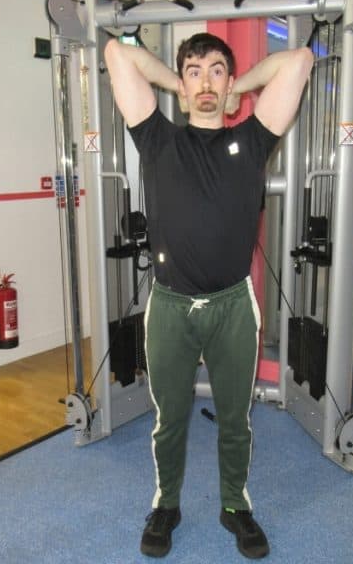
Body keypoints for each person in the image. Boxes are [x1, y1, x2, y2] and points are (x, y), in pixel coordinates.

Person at [103, 33, 314, 559]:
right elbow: (117, 55)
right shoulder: (158, 138)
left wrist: (235, 86)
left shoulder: (254, 140)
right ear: (179, 84)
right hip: (171, 308)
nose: (205, 82)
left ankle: (235, 506)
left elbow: (300, 59)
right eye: (193, 72)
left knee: (235, 417)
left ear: (230, 84)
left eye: (216, 71)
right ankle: (167, 504)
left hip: (232, 308)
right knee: (168, 418)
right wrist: (177, 81)